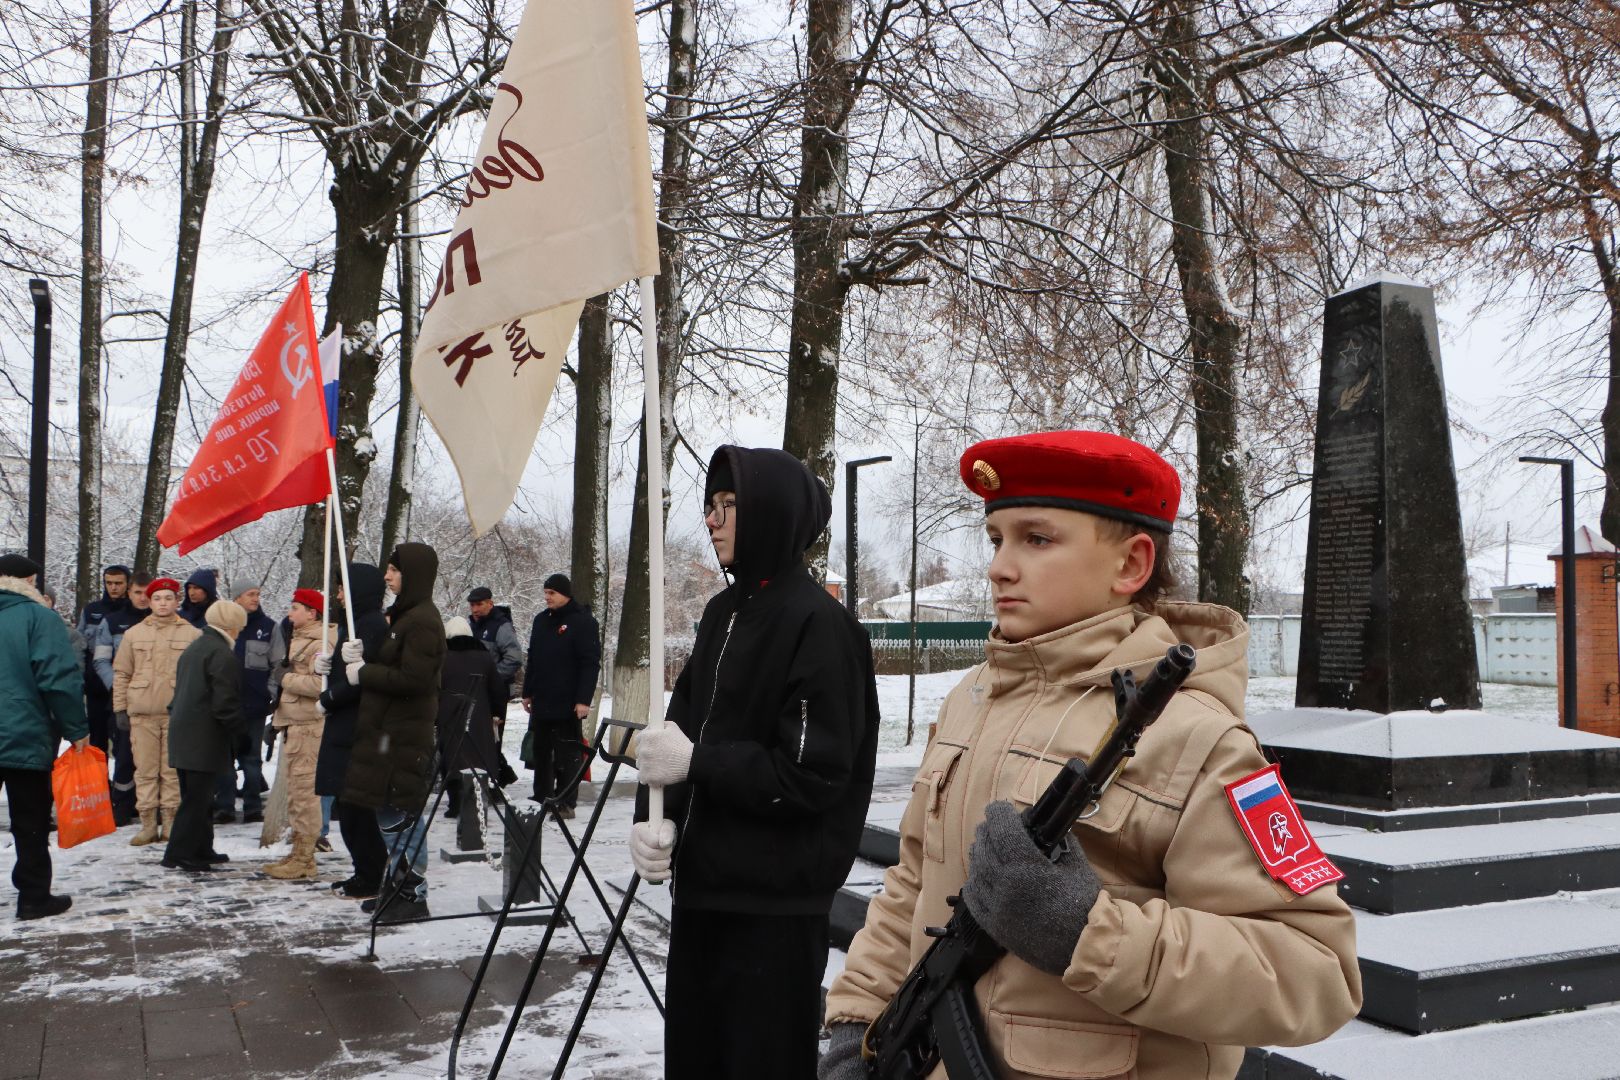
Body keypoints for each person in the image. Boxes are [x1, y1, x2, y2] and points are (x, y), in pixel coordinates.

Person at [819, 431, 1362, 1080]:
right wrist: (858, 1021)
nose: (999, 566)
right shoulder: (972, 699)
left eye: (1036, 538)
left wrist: (1089, 934)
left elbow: (1315, 973)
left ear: (1131, 566)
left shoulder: (1201, 738)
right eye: (997, 539)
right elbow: (913, 882)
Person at [630, 446, 880, 1080]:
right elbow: (677, 739)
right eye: (709, 507)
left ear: (772, 512)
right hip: (705, 892)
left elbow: (812, 775)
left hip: (773, 906)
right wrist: (654, 818)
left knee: (758, 1063)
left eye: (729, 506)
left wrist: (701, 765)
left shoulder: (821, 625)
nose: (711, 521)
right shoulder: (721, 613)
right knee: (697, 1058)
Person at [341, 543, 446, 920]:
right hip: (390, 734)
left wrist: (364, 673)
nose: (387, 576)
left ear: (412, 574)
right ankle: (398, 885)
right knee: (391, 816)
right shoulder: (406, 617)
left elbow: (414, 680)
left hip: (402, 737)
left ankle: (412, 895)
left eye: (394, 570)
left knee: (400, 815)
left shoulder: (421, 621)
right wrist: (359, 661)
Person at [0, 553, 90, 919]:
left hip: (20, 728)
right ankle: (34, 896)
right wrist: (77, 728)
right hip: (25, 731)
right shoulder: (40, 617)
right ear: (30, 581)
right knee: (30, 819)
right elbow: (58, 678)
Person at [317, 564, 391, 900]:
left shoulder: (371, 624)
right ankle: (364, 870)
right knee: (349, 808)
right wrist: (326, 667)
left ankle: (372, 873)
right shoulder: (355, 623)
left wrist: (330, 697)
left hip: (356, 726)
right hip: (346, 724)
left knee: (355, 807)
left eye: (343, 588)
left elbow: (365, 678)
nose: (338, 595)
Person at [113, 576, 201, 845]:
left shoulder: (193, 634)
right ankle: (148, 823)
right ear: (149, 602)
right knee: (145, 770)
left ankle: (172, 823)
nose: (163, 603)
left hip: (177, 714)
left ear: (177, 601)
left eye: (168, 598)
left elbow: (199, 677)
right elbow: (122, 673)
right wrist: (120, 708)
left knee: (171, 771)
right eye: (157, 598)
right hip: (142, 712)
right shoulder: (134, 634)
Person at [162, 600, 247, 872]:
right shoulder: (221, 653)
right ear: (231, 626)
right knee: (197, 800)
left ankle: (201, 848)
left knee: (197, 796)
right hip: (203, 736)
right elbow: (225, 702)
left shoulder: (197, 647)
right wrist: (240, 734)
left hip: (185, 733)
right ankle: (179, 852)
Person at [260, 588, 335, 880]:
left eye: (295, 608)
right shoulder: (300, 638)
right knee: (296, 794)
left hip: (308, 726)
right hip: (294, 724)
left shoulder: (321, 642)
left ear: (312, 612)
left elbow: (320, 685)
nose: (290, 613)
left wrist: (285, 679)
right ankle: (297, 853)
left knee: (305, 795)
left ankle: (305, 858)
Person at [520, 574, 600, 817]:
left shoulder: (583, 622)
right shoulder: (541, 620)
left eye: (552, 593)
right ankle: (544, 798)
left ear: (565, 594)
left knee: (567, 754)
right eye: (545, 593)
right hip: (542, 700)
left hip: (568, 702)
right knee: (542, 754)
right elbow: (533, 657)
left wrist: (583, 700)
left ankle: (566, 802)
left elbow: (590, 663)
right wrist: (527, 692)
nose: (547, 597)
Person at [90, 571, 151, 824]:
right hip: (124, 698)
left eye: (148, 593)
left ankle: (150, 803)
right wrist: (119, 686)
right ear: (129, 593)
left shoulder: (168, 621)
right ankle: (122, 803)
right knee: (124, 753)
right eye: (137, 592)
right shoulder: (112, 622)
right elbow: (101, 659)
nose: (143, 598)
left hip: (156, 699)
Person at [214, 586, 275, 825]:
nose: (256, 599)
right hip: (227, 705)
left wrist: (268, 695)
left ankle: (252, 806)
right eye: (250, 594)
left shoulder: (269, 627)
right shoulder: (223, 628)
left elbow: (277, 663)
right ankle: (225, 806)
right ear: (237, 597)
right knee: (224, 757)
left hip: (254, 707)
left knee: (251, 758)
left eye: (258, 594)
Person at [438, 617, 502, 819]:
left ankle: (455, 803)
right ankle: (478, 799)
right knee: (478, 757)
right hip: (478, 715)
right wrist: (497, 712)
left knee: (452, 758)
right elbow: (496, 687)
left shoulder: (441, 656)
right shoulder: (484, 656)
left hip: (449, 715)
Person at [76, 564, 129, 752]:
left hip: (125, 686)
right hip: (95, 686)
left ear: (127, 584)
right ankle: (100, 780)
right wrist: (81, 677)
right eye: (109, 583)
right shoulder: (91, 610)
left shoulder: (133, 613)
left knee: (124, 741)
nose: (113, 587)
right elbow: (80, 646)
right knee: (97, 741)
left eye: (118, 583)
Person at [467, 586, 523, 709]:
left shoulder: (502, 626)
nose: (475, 609)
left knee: (492, 728)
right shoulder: (472, 626)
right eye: (472, 605)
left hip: (496, 692)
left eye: (479, 604)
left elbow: (514, 658)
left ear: (490, 604)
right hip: (475, 691)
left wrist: (490, 677)